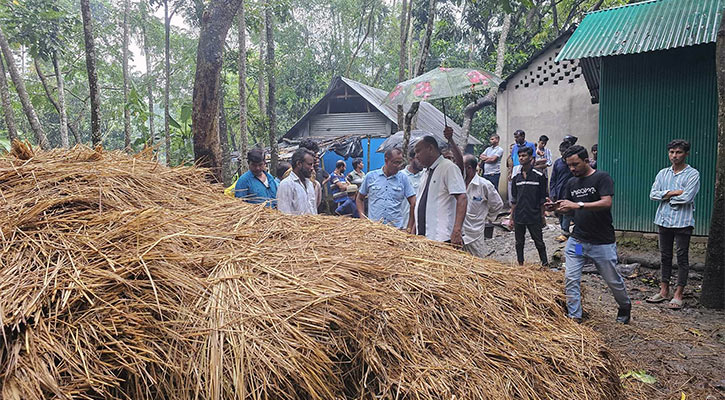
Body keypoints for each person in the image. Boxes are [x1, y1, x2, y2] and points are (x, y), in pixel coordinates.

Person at [550, 145, 631, 324]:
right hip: (578, 243)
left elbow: (606, 202)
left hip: (601, 244)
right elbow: (570, 211)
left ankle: (624, 306)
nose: (572, 169)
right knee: (571, 277)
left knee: (612, 280)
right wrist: (557, 208)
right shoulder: (571, 183)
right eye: (569, 165)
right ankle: (574, 317)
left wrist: (578, 205)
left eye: (575, 164)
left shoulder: (601, 177)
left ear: (586, 161)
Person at [646, 139, 700, 309]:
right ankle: (663, 290)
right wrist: (673, 192)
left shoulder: (693, 174)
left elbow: (687, 197)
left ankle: (678, 293)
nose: (674, 156)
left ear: (686, 154)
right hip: (663, 220)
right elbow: (653, 195)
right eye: (672, 152)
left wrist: (666, 196)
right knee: (665, 256)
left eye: (679, 152)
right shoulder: (663, 173)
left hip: (683, 221)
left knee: (682, 257)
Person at [414, 135, 467, 245]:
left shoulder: (448, 168)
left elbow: (462, 198)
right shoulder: (425, 173)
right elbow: (420, 203)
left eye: (418, 151)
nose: (416, 156)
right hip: (424, 238)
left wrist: (457, 230)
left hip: (442, 237)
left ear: (430, 148)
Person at [357, 148, 416, 232]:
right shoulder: (370, 177)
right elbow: (359, 198)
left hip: (396, 230)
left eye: (400, 162)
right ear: (386, 160)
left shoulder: (403, 178)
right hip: (374, 229)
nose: (399, 166)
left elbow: (413, 203)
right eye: (396, 162)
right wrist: (362, 219)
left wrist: (409, 228)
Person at [509, 146, 548, 266]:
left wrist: (542, 215)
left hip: (534, 214)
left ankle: (545, 264)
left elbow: (543, 198)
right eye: (519, 156)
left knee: (539, 242)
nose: (521, 158)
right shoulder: (516, 178)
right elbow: (514, 200)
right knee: (519, 242)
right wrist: (511, 217)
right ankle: (521, 264)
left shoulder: (539, 176)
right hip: (519, 215)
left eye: (524, 156)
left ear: (531, 157)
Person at [462, 154, 503, 257]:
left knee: (477, 263)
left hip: (475, 235)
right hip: (459, 234)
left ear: (469, 168)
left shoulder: (484, 185)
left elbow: (497, 204)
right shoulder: (458, 184)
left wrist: (486, 217)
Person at [277, 148, 318, 215]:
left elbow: (314, 210)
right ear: (299, 164)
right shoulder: (286, 184)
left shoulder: (310, 184)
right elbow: (284, 215)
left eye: (313, 165)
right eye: (309, 164)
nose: (312, 168)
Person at [550, 141, 575, 242]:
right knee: (559, 212)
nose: (563, 154)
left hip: (570, 193)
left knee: (567, 212)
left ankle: (565, 232)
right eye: (561, 152)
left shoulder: (573, 164)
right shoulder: (558, 163)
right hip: (559, 191)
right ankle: (564, 231)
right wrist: (552, 192)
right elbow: (553, 178)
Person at [401, 149, 424, 228]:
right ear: (410, 160)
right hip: (403, 221)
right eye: (418, 159)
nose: (421, 161)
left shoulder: (426, 175)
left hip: (420, 222)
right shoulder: (400, 176)